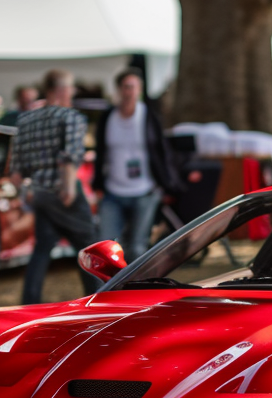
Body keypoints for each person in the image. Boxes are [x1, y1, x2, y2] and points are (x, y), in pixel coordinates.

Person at [11, 68, 103, 305]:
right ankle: (100, 300)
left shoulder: (26, 119)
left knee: (42, 247)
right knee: (90, 246)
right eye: (70, 87)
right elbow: (69, 157)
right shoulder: (71, 117)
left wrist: (25, 193)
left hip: (38, 193)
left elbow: (17, 166)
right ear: (60, 89)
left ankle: (29, 302)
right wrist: (69, 190)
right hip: (63, 191)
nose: (72, 92)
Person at [93, 67, 182, 262]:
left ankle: (134, 290)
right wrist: (97, 183)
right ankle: (104, 291)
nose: (129, 92)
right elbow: (100, 152)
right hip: (113, 192)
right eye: (125, 87)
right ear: (118, 90)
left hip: (144, 191)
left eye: (133, 87)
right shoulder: (108, 118)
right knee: (104, 246)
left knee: (137, 246)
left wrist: (167, 183)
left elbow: (162, 151)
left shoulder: (149, 117)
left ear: (139, 90)